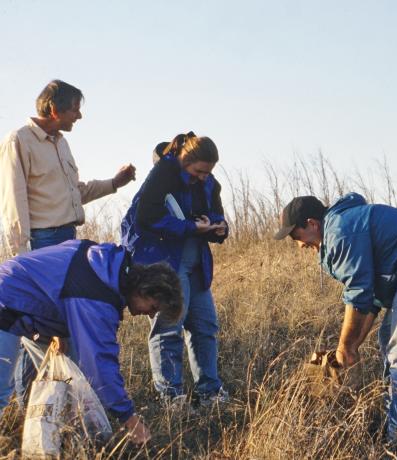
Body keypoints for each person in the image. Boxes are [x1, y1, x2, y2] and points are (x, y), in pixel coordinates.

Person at [0, 79, 136, 410]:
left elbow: (75, 191)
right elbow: (13, 202)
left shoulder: (61, 144)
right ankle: (27, 407)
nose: (79, 116)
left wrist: (114, 184)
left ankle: (48, 408)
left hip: (66, 242)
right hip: (41, 243)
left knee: (61, 336)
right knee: (35, 332)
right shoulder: (20, 141)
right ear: (54, 109)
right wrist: (22, 259)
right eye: (75, 108)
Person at [274, 193, 397, 439]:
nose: (299, 245)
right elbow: (370, 298)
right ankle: (393, 418)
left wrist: (345, 346)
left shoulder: (340, 232)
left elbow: (359, 294)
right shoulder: (342, 226)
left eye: (296, 235)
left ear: (313, 224)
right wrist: (351, 348)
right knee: (387, 337)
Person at [0, 239, 183, 445]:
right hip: (6, 302)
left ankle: (51, 441)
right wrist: (129, 419)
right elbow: (99, 364)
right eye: (153, 307)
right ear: (145, 290)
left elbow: (59, 280)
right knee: (1, 392)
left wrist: (56, 329)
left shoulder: (106, 266)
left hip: (17, 296)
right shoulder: (99, 295)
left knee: (61, 384)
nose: (149, 314)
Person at [121, 132, 228, 408]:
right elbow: (148, 218)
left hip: (196, 265)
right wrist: (191, 227)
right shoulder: (163, 175)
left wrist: (219, 228)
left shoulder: (208, 182)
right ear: (185, 160)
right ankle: (171, 396)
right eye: (199, 171)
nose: (203, 176)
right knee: (169, 327)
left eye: (208, 172)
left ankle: (210, 393)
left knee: (205, 326)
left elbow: (216, 213)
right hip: (166, 263)